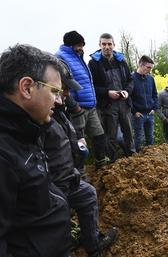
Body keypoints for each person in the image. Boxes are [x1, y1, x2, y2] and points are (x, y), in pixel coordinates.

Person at [0, 44, 71, 257]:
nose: (59, 101)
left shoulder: (26, 131)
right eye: (54, 91)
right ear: (27, 87)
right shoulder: (4, 152)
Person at [43, 62, 118, 257]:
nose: (66, 93)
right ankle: (66, 244)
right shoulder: (40, 115)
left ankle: (92, 244)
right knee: (58, 220)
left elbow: (66, 140)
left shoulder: (60, 110)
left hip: (69, 176)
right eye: (62, 89)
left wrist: (77, 148)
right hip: (52, 185)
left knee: (88, 194)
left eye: (66, 89)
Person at [56, 30, 109, 169]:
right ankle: (79, 170)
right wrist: (74, 105)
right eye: (79, 45)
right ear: (70, 45)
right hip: (77, 108)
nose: (81, 48)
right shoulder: (61, 58)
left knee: (99, 135)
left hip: (90, 106)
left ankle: (100, 163)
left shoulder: (78, 57)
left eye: (82, 45)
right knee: (79, 142)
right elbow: (63, 86)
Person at [89, 33, 135, 160]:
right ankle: (113, 161)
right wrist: (107, 93)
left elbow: (131, 81)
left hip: (124, 103)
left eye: (109, 44)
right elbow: (92, 86)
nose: (107, 47)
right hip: (108, 105)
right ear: (99, 45)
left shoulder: (121, 61)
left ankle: (131, 156)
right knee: (111, 135)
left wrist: (127, 91)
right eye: (104, 44)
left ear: (114, 45)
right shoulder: (94, 63)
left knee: (128, 132)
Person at [131, 55, 158, 152]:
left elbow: (155, 94)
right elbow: (128, 98)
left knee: (150, 138)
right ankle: (138, 160)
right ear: (141, 65)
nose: (150, 70)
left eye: (151, 68)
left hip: (150, 113)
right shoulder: (131, 78)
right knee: (139, 138)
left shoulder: (150, 79)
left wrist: (154, 108)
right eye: (148, 67)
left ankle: (149, 159)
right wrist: (134, 112)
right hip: (138, 114)